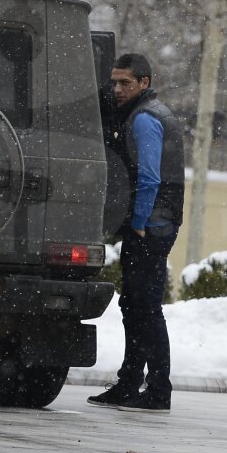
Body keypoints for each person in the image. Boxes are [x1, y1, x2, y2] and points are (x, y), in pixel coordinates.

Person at [87, 53, 186, 413]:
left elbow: (149, 177)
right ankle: (130, 382)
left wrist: (140, 222)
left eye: (125, 82)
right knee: (136, 305)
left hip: (151, 225)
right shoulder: (152, 112)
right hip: (158, 221)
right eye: (114, 82)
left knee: (144, 307)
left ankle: (158, 387)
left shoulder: (145, 118)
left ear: (144, 82)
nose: (117, 88)